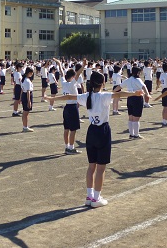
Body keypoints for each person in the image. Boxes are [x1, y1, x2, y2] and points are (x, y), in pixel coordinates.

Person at [53, 71, 143, 207]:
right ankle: (96, 198)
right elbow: (119, 94)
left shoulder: (87, 96)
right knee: (101, 168)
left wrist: (52, 98)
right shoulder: (103, 96)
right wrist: (134, 93)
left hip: (91, 131)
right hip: (103, 131)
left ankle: (89, 196)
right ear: (102, 83)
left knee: (91, 167)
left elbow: (70, 96)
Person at [115, 66, 152, 139]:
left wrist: (113, 91)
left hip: (130, 98)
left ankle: (131, 134)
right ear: (138, 73)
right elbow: (144, 86)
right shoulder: (137, 79)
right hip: (137, 98)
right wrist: (147, 94)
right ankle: (136, 134)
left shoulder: (128, 79)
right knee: (136, 118)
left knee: (131, 117)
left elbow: (119, 86)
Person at [56, 59, 84, 154]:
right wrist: (83, 66)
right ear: (72, 77)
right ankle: (71, 148)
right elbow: (78, 74)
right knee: (73, 129)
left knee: (66, 129)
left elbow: (61, 72)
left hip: (67, 108)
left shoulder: (64, 82)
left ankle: (67, 146)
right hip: (72, 108)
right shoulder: (72, 83)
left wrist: (59, 63)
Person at [20, 67, 35, 132]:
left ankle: (25, 126)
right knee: (26, 113)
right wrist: (29, 102)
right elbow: (28, 92)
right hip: (27, 96)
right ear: (29, 73)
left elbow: (22, 90)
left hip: (24, 95)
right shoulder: (27, 81)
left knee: (24, 113)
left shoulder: (24, 79)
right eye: (31, 73)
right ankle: (25, 127)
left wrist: (20, 97)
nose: (32, 74)